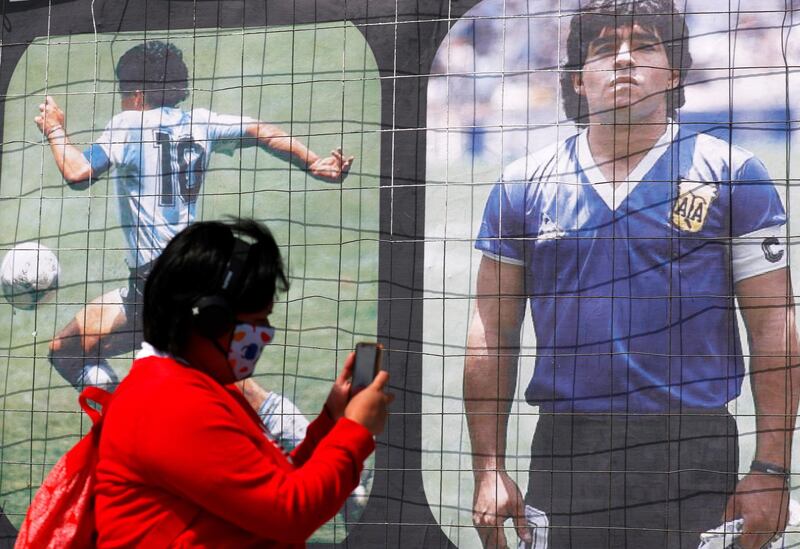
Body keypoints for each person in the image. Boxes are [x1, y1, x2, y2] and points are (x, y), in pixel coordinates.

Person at [464, 1, 799, 548]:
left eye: (644, 45)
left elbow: (773, 327)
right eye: (603, 49)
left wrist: (772, 469)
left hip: (695, 450)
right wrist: (488, 468)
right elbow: (492, 333)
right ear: (577, 79)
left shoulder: (735, 174)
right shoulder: (523, 184)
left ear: (674, 71)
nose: (624, 60)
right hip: (567, 453)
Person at [34, 40, 353, 389]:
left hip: (156, 283)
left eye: (123, 93)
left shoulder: (128, 124)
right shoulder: (201, 123)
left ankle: (129, 422)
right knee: (71, 350)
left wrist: (55, 129)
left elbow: (78, 173)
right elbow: (264, 132)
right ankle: (126, 419)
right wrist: (313, 162)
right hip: (194, 274)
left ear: (137, 94)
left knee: (221, 389)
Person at [94, 218, 392, 546]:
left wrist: (331, 424)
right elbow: (288, 513)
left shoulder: (191, 385)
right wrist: (355, 431)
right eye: (257, 321)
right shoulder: (170, 403)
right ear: (212, 320)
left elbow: (272, 486)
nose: (265, 333)